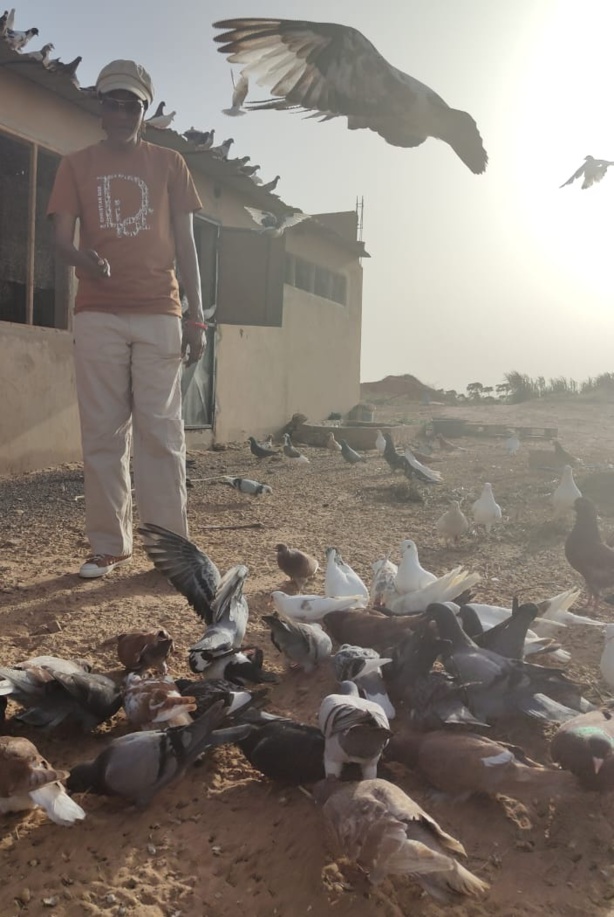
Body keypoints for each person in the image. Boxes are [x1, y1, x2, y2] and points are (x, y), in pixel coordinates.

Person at [47, 60, 206, 578]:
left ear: (146, 109)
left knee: (161, 433)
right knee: (102, 435)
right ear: (100, 107)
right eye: (112, 101)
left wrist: (196, 317)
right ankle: (109, 545)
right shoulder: (74, 165)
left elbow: (186, 244)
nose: (121, 112)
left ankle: (171, 550)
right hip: (97, 313)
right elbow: (58, 242)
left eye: (131, 103)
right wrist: (83, 260)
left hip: (160, 311)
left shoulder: (169, 163)